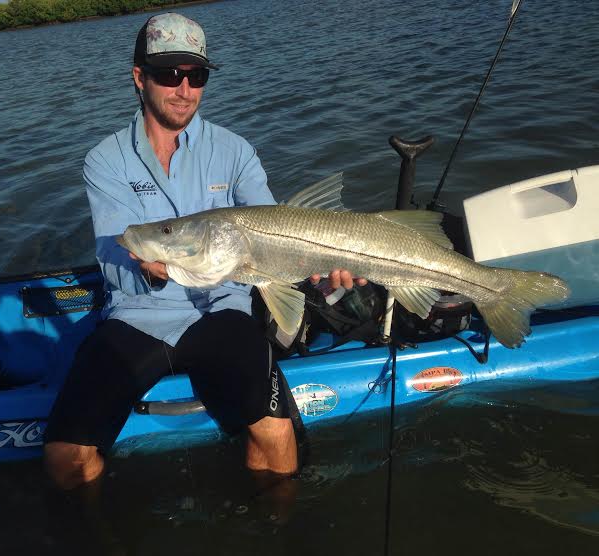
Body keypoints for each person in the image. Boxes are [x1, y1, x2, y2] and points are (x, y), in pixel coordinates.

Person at [43, 12, 362, 491]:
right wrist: (151, 273)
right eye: (169, 74)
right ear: (139, 78)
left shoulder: (234, 151)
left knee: (276, 437)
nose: (184, 89)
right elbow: (116, 255)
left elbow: (275, 230)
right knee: (66, 458)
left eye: (197, 76)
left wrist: (317, 268)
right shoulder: (105, 160)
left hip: (222, 309)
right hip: (138, 316)